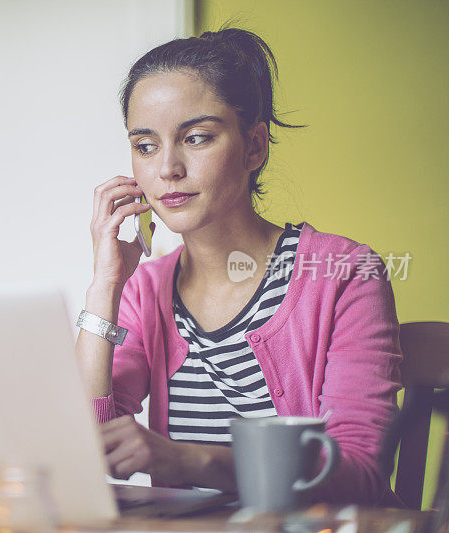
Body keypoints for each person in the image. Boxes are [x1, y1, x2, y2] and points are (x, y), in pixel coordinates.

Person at [75, 27, 402, 506]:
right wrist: (104, 287)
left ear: (255, 146)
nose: (167, 168)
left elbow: (360, 471)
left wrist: (187, 460)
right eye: (145, 146)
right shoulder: (143, 288)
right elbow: (86, 451)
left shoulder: (346, 273)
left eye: (197, 138)